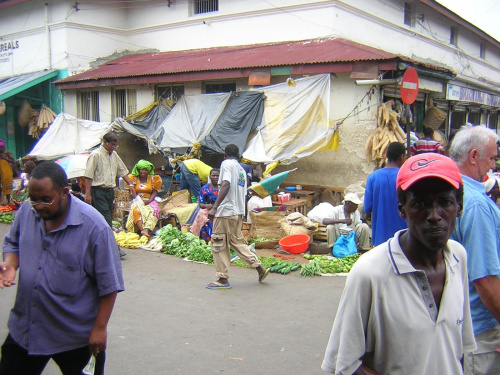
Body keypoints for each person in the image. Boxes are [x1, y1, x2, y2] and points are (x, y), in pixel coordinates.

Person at [322, 153, 475, 374]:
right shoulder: (370, 272)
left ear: (458, 208)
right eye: (420, 204)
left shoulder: (458, 257)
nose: (434, 215)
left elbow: (462, 349)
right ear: (402, 209)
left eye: (445, 202)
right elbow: (345, 364)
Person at [0, 162, 124, 375]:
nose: (38, 205)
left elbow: (109, 283)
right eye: (34, 199)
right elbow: (13, 242)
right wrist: (11, 264)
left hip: (75, 336)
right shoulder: (27, 212)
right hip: (27, 326)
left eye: (46, 199)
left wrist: (100, 328)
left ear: (64, 192)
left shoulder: (95, 227)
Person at [449, 125, 500, 375]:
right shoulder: (476, 205)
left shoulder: (455, 194)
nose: (493, 165)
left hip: (463, 322)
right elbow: (485, 278)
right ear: (473, 156)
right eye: (491, 158)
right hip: (481, 329)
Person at [206, 144, 269, 289]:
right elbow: (244, 190)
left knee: (219, 243)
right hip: (237, 212)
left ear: (225, 155)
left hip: (226, 211)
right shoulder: (241, 169)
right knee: (237, 242)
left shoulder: (226, 164)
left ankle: (222, 279)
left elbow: (226, 184)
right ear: (238, 155)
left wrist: (215, 207)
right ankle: (259, 268)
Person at [84, 131, 133, 258]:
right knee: (106, 219)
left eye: (115, 145)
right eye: (112, 145)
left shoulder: (114, 155)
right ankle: (113, 248)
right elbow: (88, 176)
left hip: (109, 192)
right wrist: (87, 193)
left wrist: (131, 185)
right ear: (105, 142)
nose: (113, 147)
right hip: (98, 191)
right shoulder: (96, 155)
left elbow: (122, 170)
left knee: (102, 219)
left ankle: (96, 246)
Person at [364, 142, 407, 246]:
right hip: (403, 238)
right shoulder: (405, 177)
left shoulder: (373, 177)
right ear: (401, 157)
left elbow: (367, 208)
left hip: (380, 239)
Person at [126, 159, 162, 239]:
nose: (143, 172)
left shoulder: (154, 178)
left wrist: (149, 200)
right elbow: (132, 192)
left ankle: (147, 229)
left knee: (154, 211)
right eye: (142, 169)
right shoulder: (133, 178)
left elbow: (154, 192)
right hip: (137, 199)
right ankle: (142, 230)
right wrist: (139, 200)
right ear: (138, 170)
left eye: (146, 170)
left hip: (150, 199)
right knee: (136, 210)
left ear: (148, 171)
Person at [190, 168, 220, 241]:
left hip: (221, 210)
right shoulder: (205, 188)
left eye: (217, 176)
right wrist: (206, 206)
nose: (216, 177)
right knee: (202, 214)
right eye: (213, 176)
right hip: (210, 210)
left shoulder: (223, 187)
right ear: (210, 177)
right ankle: (207, 238)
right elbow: (201, 203)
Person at [0, 140, 13, 204]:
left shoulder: (7, 153)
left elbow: (13, 161)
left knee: (7, 186)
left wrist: (5, 159)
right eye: (0, 147)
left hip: (7, 172)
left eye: (3, 147)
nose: (2, 149)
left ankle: (8, 201)